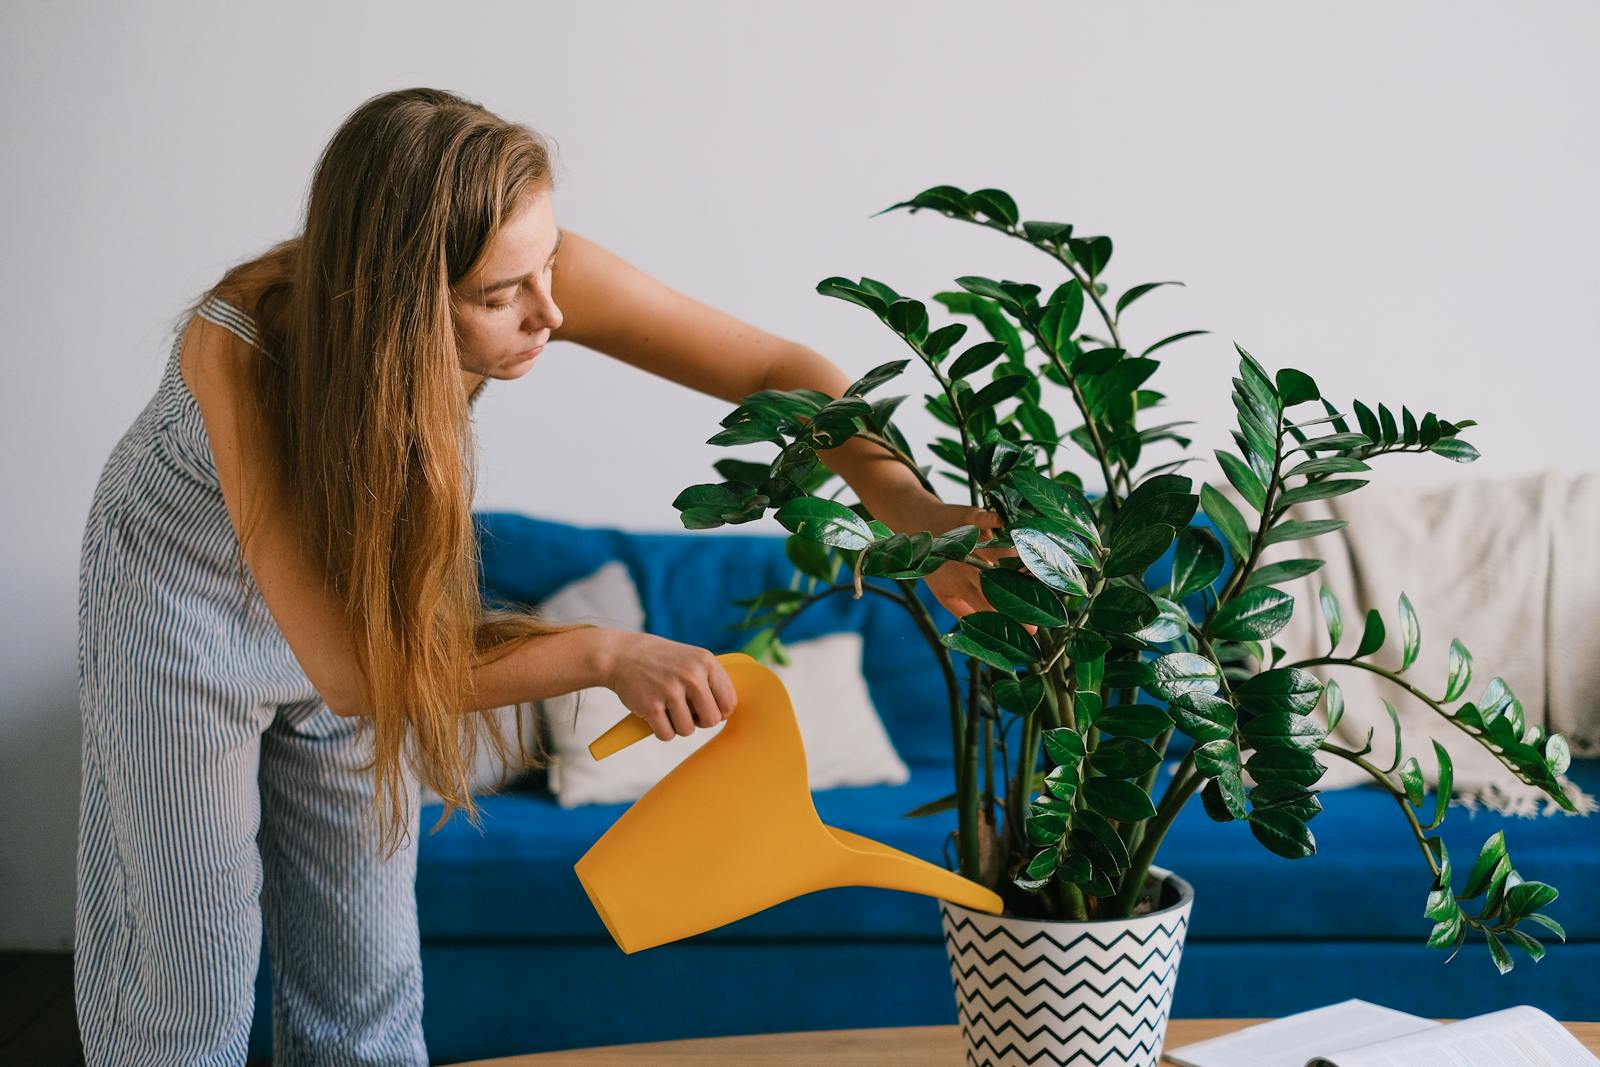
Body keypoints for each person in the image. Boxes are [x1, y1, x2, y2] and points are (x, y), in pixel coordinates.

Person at [73, 86, 1007, 1066]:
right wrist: (604, 651)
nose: (550, 314)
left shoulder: (526, 272)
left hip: (355, 600)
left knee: (367, 988)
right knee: (188, 993)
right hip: (179, 602)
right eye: (498, 296)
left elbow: (776, 365)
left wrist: (915, 510)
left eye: (545, 264)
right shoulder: (239, 348)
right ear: (392, 304)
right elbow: (351, 675)